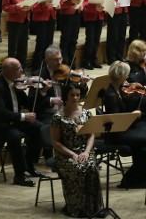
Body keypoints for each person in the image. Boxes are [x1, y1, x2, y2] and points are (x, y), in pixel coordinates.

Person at [0, 57, 46, 186]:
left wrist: (42, 91)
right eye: (18, 69)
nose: (22, 71)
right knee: (14, 136)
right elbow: (1, 113)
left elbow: (29, 103)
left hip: (13, 121)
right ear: (8, 72)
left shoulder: (16, 83)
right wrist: (23, 116)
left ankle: (30, 165)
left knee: (39, 128)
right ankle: (19, 175)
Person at [102, 61, 146, 188]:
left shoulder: (119, 90)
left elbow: (130, 101)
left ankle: (141, 176)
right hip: (116, 133)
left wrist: (144, 94)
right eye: (126, 74)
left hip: (125, 129)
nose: (128, 77)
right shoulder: (110, 95)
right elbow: (117, 120)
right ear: (121, 76)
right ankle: (131, 178)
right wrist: (133, 114)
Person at [50, 83, 102, 218]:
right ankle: (75, 207)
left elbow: (91, 135)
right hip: (65, 154)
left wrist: (86, 152)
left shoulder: (86, 113)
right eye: (72, 95)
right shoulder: (58, 117)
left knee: (91, 167)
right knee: (78, 168)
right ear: (66, 97)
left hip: (84, 151)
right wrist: (73, 154)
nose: (75, 98)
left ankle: (92, 208)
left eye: (78, 95)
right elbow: (55, 142)